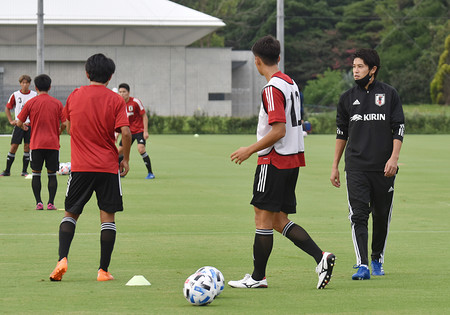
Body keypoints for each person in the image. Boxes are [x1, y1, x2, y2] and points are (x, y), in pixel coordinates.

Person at [228, 35, 335, 290]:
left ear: (256, 61)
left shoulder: (271, 88)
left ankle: (257, 278)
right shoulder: (291, 83)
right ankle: (321, 258)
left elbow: (279, 130)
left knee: (262, 219)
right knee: (277, 220)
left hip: (274, 161)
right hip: (292, 161)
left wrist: (249, 150)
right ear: (278, 58)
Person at [49, 53, 132, 282]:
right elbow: (126, 132)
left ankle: (62, 259)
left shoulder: (75, 95)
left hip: (81, 167)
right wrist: (124, 158)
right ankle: (103, 271)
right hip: (107, 167)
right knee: (107, 218)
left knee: (70, 215)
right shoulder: (116, 100)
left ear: (87, 73)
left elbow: (67, 126)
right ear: (111, 76)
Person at [330, 48, 405, 280]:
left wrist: (393, 159)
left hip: (384, 168)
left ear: (372, 69)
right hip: (356, 168)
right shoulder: (346, 98)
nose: (355, 70)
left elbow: (399, 129)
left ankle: (376, 259)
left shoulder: (389, 94)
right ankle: (362, 264)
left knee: (381, 215)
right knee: (358, 216)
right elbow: (341, 134)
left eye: (360, 66)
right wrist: (335, 165)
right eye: (353, 66)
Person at [16, 74, 66, 210]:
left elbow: (19, 122)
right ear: (50, 87)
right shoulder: (57, 103)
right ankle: (51, 203)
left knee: (36, 173)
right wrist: (59, 131)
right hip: (53, 144)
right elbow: (65, 123)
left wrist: (24, 127)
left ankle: (39, 202)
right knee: (52, 174)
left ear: (36, 87)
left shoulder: (31, 103)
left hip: (36, 144)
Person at [0, 75, 37, 176]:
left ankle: (24, 171)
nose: (25, 85)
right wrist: (11, 120)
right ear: (20, 83)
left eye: (27, 83)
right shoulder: (15, 95)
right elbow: (8, 108)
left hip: (29, 125)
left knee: (27, 147)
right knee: (14, 147)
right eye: (23, 83)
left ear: (29, 84)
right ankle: (7, 170)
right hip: (19, 125)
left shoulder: (34, 95)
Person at [117, 83, 154, 179]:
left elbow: (144, 116)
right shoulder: (118, 103)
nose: (122, 94)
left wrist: (145, 131)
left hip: (138, 131)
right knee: (119, 151)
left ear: (128, 93)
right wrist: (117, 133)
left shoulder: (135, 102)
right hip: (127, 132)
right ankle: (120, 172)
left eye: (124, 92)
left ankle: (150, 173)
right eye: (120, 92)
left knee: (141, 149)